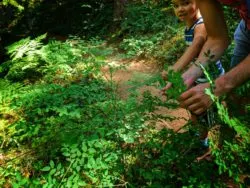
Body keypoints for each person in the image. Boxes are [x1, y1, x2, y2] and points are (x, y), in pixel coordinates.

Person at [162, 0, 225, 147]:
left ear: (199, 3)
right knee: (196, 110)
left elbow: (197, 44)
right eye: (176, 5)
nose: (180, 9)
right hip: (199, 79)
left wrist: (175, 69)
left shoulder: (201, 24)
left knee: (214, 117)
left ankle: (218, 148)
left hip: (212, 80)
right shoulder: (188, 28)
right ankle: (202, 139)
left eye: (185, 3)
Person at [178, 0, 250, 116]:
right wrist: (189, 75)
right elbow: (217, 39)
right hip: (246, 27)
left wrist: (218, 86)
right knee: (235, 93)